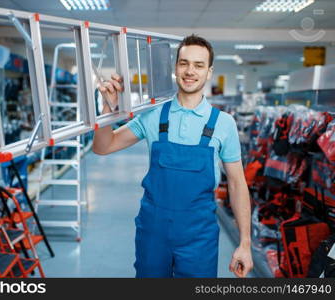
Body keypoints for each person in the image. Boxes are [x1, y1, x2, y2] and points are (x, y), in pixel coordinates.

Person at [92, 34, 253, 278]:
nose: (190, 71)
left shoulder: (224, 123)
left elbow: (237, 183)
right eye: (184, 63)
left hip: (199, 235)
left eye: (199, 65)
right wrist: (107, 110)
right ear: (175, 68)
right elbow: (103, 146)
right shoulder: (152, 115)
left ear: (209, 72)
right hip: (153, 231)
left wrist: (245, 243)